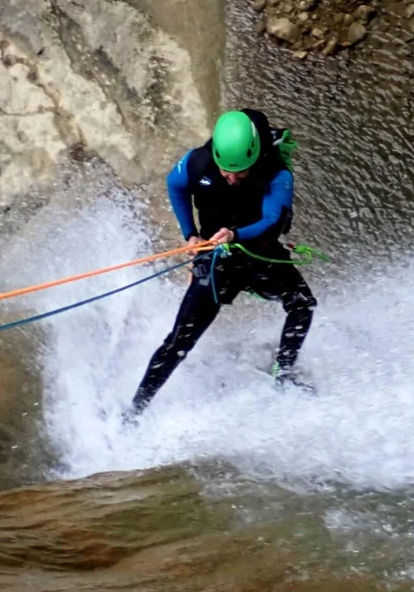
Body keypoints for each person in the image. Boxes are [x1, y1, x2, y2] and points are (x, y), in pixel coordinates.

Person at [127, 109, 317, 418]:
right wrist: (189, 234)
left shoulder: (277, 174)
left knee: (303, 304)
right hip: (216, 262)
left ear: (254, 157)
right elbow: (175, 184)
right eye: (226, 171)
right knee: (178, 341)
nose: (232, 178)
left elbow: (272, 219)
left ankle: (283, 374)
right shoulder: (197, 162)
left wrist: (234, 234)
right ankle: (135, 410)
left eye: (240, 173)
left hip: (260, 258)